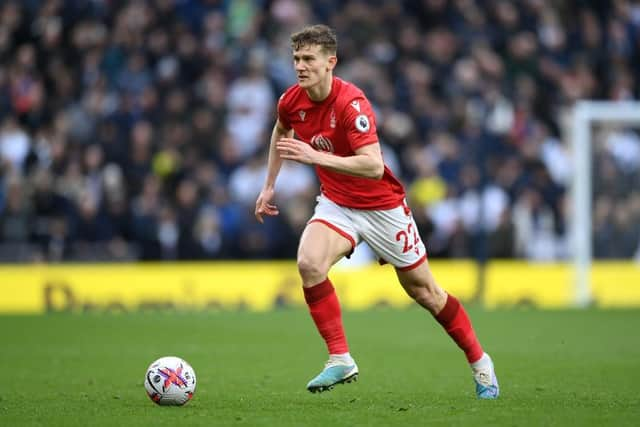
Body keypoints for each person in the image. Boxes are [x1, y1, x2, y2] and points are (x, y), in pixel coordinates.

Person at [254, 24, 499, 399]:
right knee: (308, 263)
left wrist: (316, 156)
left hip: (382, 207)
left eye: (308, 59)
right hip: (337, 203)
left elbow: (372, 164)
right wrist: (269, 185)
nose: (300, 66)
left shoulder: (352, 104)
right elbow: (280, 130)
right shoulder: (290, 100)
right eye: (296, 59)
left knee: (426, 292)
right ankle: (340, 357)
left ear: (330, 62)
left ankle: (481, 364)